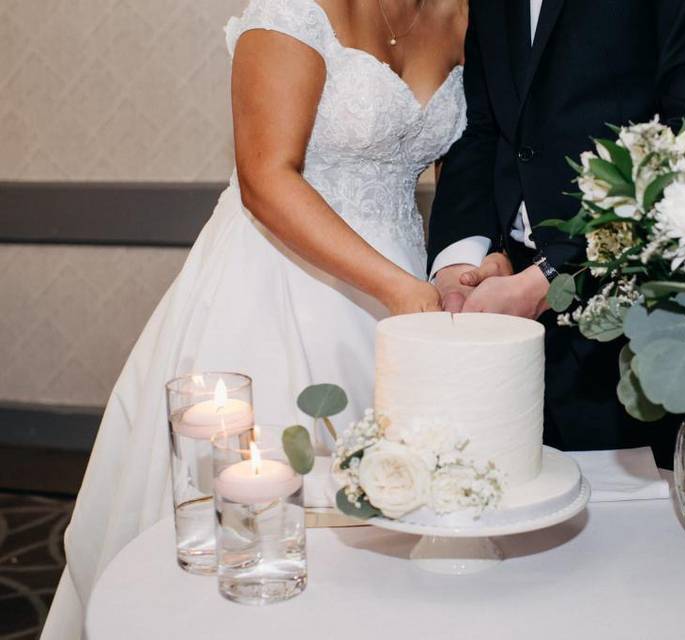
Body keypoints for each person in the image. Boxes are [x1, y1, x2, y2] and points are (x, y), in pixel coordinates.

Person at [41, 1, 469, 636]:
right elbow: (266, 177)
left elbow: (472, 163)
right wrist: (395, 288)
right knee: (262, 522)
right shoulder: (295, 9)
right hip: (277, 280)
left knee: (400, 521)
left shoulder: (466, 15)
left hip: (407, 292)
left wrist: (450, 267)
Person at [429, 0, 685, 463]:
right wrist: (461, 257)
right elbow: (482, 120)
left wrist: (552, 276)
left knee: (641, 528)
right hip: (500, 312)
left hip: (644, 325)